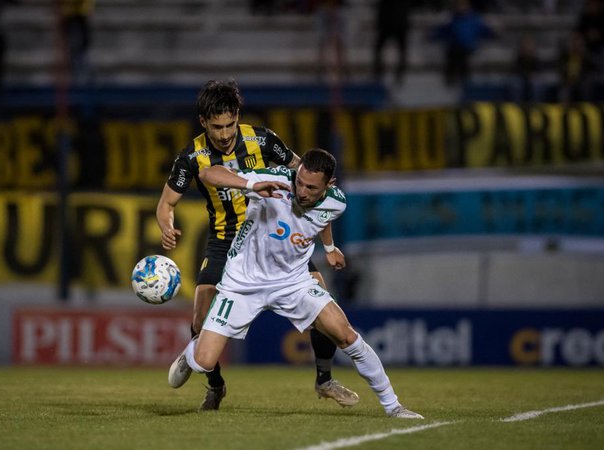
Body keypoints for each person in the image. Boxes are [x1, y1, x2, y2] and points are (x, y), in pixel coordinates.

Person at [168, 149, 423, 419]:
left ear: (329, 185)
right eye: (299, 182)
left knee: (345, 334)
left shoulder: (338, 202)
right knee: (205, 361)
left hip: (293, 282)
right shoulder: (274, 179)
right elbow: (209, 173)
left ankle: (393, 406)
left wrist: (330, 247)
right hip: (242, 283)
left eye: (311, 187)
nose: (301, 191)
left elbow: (323, 217)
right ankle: (191, 354)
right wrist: (251, 184)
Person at [156, 80, 358, 411]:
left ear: (238, 117)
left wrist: (328, 244)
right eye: (217, 127)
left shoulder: (262, 140)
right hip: (225, 241)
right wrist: (167, 226)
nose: (224, 134)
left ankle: (324, 380)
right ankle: (215, 385)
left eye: (230, 124)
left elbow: (311, 190)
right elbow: (166, 203)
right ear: (203, 122)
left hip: (274, 237)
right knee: (199, 319)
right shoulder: (191, 156)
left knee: (324, 303)